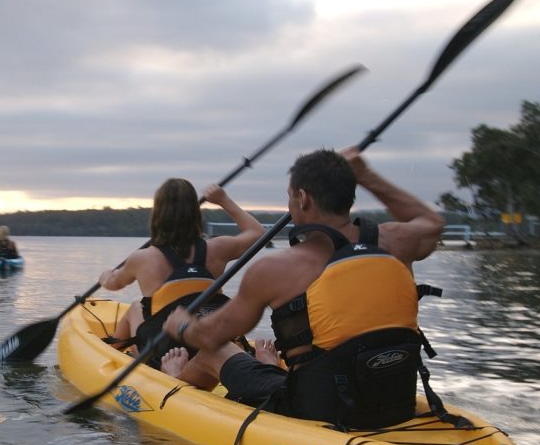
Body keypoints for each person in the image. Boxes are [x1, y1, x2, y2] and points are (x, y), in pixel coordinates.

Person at [162, 146, 445, 429]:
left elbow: (210, 337)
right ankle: (269, 369)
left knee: (216, 352)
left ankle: (173, 386)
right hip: (398, 404)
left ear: (303, 198)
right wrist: (366, 175)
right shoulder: (397, 241)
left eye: (290, 196)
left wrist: (183, 326)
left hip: (318, 411)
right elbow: (432, 223)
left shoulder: (276, 268)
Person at [97, 179, 264, 369]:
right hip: (209, 342)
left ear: (158, 214)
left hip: (163, 354)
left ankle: (111, 351)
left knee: (136, 307)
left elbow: (114, 283)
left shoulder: (143, 258)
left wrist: (105, 276)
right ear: (195, 213)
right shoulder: (218, 248)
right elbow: (258, 233)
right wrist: (223, 200)